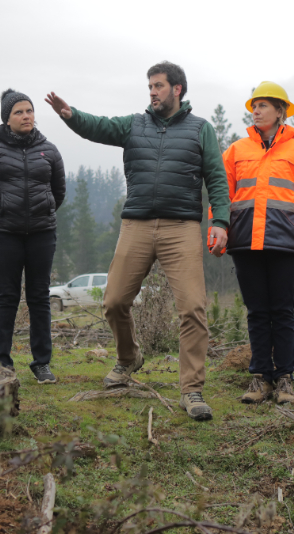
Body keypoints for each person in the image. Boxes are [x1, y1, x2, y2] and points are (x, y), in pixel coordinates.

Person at [44, 61, 230, 421]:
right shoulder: (134, 124)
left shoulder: (200, 130)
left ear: (177, 89)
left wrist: (219, 220)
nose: (152, 92)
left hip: (182, 227)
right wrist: (70, 115)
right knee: (113, 301)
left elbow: (217, 178)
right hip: (137, 225)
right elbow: (99, 127)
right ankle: (129, 357)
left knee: (192, 307)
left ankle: (191, 390)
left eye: (159, 86)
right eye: (150, 87)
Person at [218, 82, 294, 405]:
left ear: (280, 111)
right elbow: (221, 195)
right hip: (245, 243)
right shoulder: (236, 151)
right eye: (254, 105)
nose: (256, 110)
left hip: (285, 245)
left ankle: (285, 380)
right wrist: (219, 231)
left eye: (263, 105)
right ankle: (260, 378)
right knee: (256, 311)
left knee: (282, 311)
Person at [0, 89, 65, 383]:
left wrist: (42, 213)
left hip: (41, 234)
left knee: (39, 297)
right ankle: (1, 362)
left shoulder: (49, 150)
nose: (26, 116)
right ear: (7, 119)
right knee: (7, 296)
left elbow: (58, 192)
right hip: (4, 235)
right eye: (19, 112)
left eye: (30, 111)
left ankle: (42, 363)